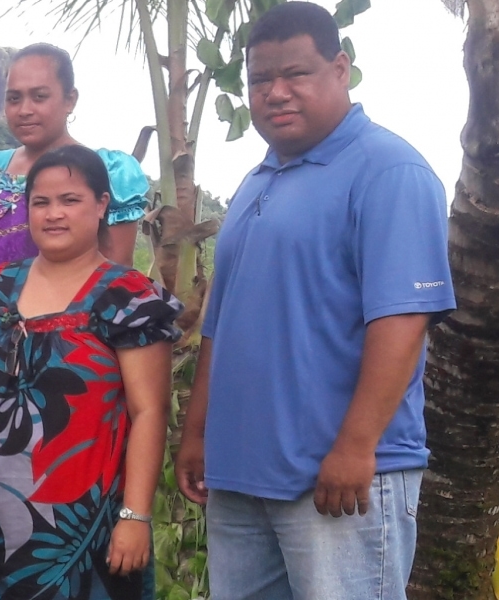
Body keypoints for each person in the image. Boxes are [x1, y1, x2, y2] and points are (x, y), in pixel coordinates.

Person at [174, 4, 454, 598]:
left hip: (339, 479)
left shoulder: (389, 171)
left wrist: (356, 447)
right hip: (242, 475)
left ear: (341, 69)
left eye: (295, 74)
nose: (275, 93)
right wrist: (198, 433)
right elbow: (219, 325)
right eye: (259, 80)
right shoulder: (256, 181)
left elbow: (403, 321)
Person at [0, 145, 179, 599]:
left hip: (82, 535)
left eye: (70, 200)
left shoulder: (127, 299)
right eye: (41, 203)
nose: (53, 215)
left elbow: (149, 412)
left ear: (102, 204)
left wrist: (136, 516)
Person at [0, 41, 152, 456]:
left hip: (54, 357)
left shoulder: (107, 173)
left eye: (39, 96)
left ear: (70, 100)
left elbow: (117, 276)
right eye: (14, 98)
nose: (25, 109)